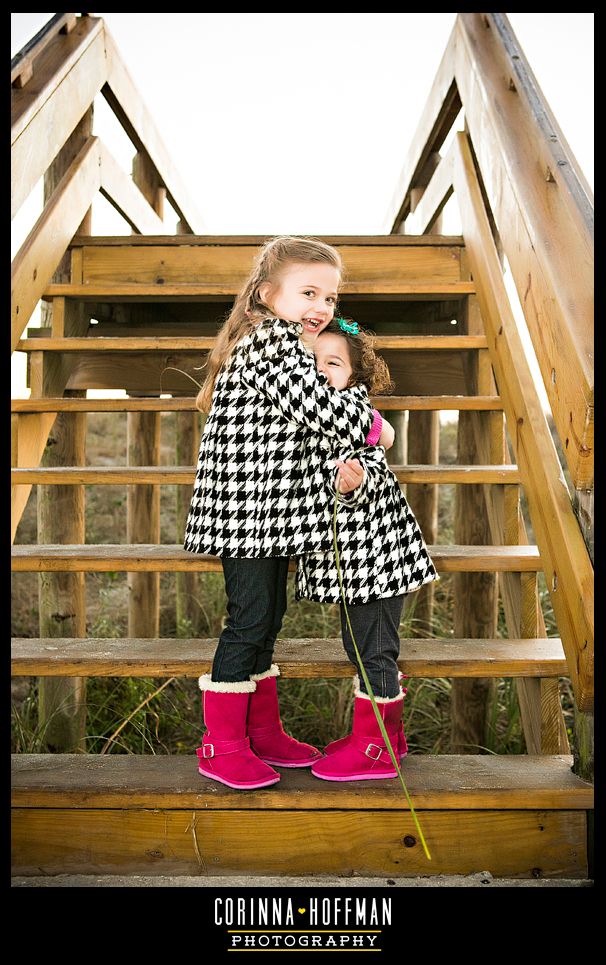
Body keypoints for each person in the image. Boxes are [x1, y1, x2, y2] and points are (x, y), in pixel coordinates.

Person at [183, 236, 395, 790]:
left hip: (268, 512)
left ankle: (261, 729)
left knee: (268, 618)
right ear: (265, 295)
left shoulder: (289, 344)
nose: (322, 307)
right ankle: (221, 744)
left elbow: (318, 394)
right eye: (308, 292)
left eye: (331, 296)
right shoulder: (270, 345)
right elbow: (319, 408)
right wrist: (374, 424)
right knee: (249, 620)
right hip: (246, 513)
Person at [294, 318, 439, 782]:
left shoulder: (352, 414)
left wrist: (351, 485)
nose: (319, 371)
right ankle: (386, 737)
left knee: (372, 651)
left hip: (375, 560)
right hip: (361, 560)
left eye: (332, 363)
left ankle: (376, 749)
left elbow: (373, 467)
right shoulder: (328, 410)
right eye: (311, 362)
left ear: (355, 378)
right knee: (366, 648)